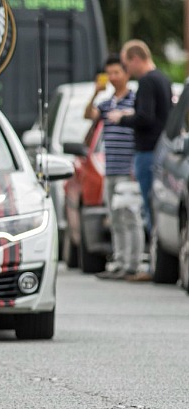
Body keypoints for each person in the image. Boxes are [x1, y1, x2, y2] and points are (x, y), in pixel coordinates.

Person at [84, 54, 149, 282]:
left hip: (128, 168)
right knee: (115, 217)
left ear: (126, 74)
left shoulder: (134, 100)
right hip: (109, 168)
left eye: (116, 73)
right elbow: (88, 115)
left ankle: (134, 262)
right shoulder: (107, 102)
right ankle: (119, 261)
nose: (112, 77)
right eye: (109, 73)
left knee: (131, 216)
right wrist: (95, 91)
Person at [107, 40, 173, 240]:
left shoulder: (146, 81)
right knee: (158, 206)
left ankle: (154, 257)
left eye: (126, 65)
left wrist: (122, 118)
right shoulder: (163, 78)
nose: (127, 71)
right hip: (161, 149)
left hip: (147, 152)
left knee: (149, 204)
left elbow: (146, 117)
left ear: (136, 59)